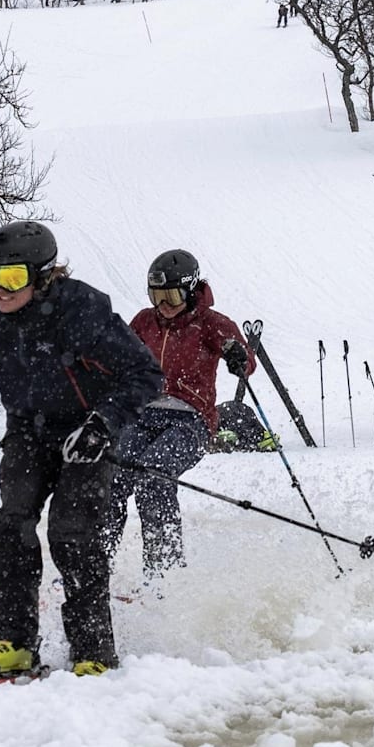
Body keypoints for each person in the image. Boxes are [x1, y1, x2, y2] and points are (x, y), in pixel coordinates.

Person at [0, 221, 163, 677]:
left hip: (85, 437)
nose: (0, 290)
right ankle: (14, 641)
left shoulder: (82, 310)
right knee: (12, 527)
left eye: (12, 278)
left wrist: (102, 425)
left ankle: (93, 650)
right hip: (27, 431)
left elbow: (145, 374)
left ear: (43, 274)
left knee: (71, 536)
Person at [111, 249, 255, 589]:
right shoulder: (145, 321)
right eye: (156, 296)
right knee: (112, 478)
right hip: (143, 415)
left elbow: (246, 360)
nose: (164, 305)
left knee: (153, 477)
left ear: (190, 290)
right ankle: (93, 566)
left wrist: (237, 355)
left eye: (171, 296)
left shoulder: (211, 323)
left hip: (190, 421)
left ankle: (165, 577)